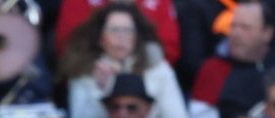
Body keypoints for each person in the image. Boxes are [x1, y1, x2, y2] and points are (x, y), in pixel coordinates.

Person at [61, 4, 191, 118]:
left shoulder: (158, 69)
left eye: (127, 31)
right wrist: (100, 89)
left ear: (137, 37)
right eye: (114, 30)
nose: (121, 37)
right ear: (100, 38)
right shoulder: (84, 69)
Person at [55, 0, 183, 66]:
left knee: (162, 71)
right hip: (92, 73)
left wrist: (131, 68)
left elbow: (169, 49)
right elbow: (68, 47)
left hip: (147, 77)